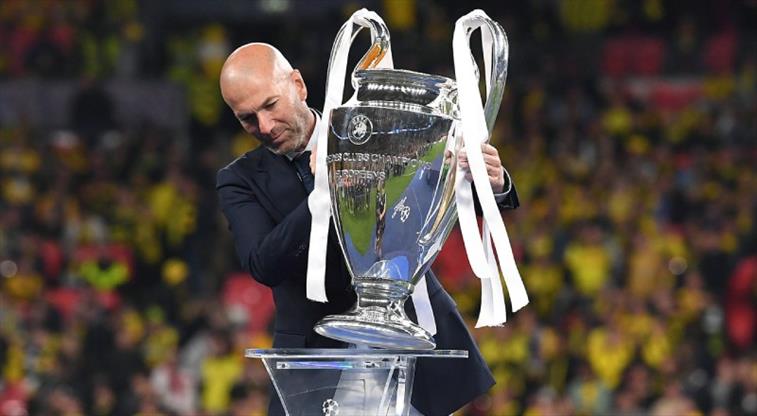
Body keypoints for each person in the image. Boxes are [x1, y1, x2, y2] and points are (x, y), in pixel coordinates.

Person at [217, 43, 519, 416]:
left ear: (298, 85)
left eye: (270, 105)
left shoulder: (376, 130)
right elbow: (263, 263)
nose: (264, 126)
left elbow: (439, 198)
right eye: (247, 119)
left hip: (411, 336)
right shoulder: (239, 179)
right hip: (316, 357)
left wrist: (492, 183)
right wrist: (323, 193)